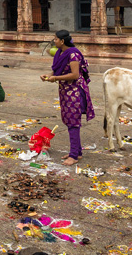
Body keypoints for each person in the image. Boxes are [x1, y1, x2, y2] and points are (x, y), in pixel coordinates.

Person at [40, 30, 96, 165]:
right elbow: (56, 69)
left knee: (73, 122)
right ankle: (77, 152)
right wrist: (48, 75)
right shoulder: (60, 52)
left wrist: (55, 78)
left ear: (62, 41)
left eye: (56, 39)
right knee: (69, 120)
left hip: (75, 91)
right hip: (65, 90)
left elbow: (75, 75)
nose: (54, 41)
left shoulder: (73, 54)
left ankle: (74, 156)